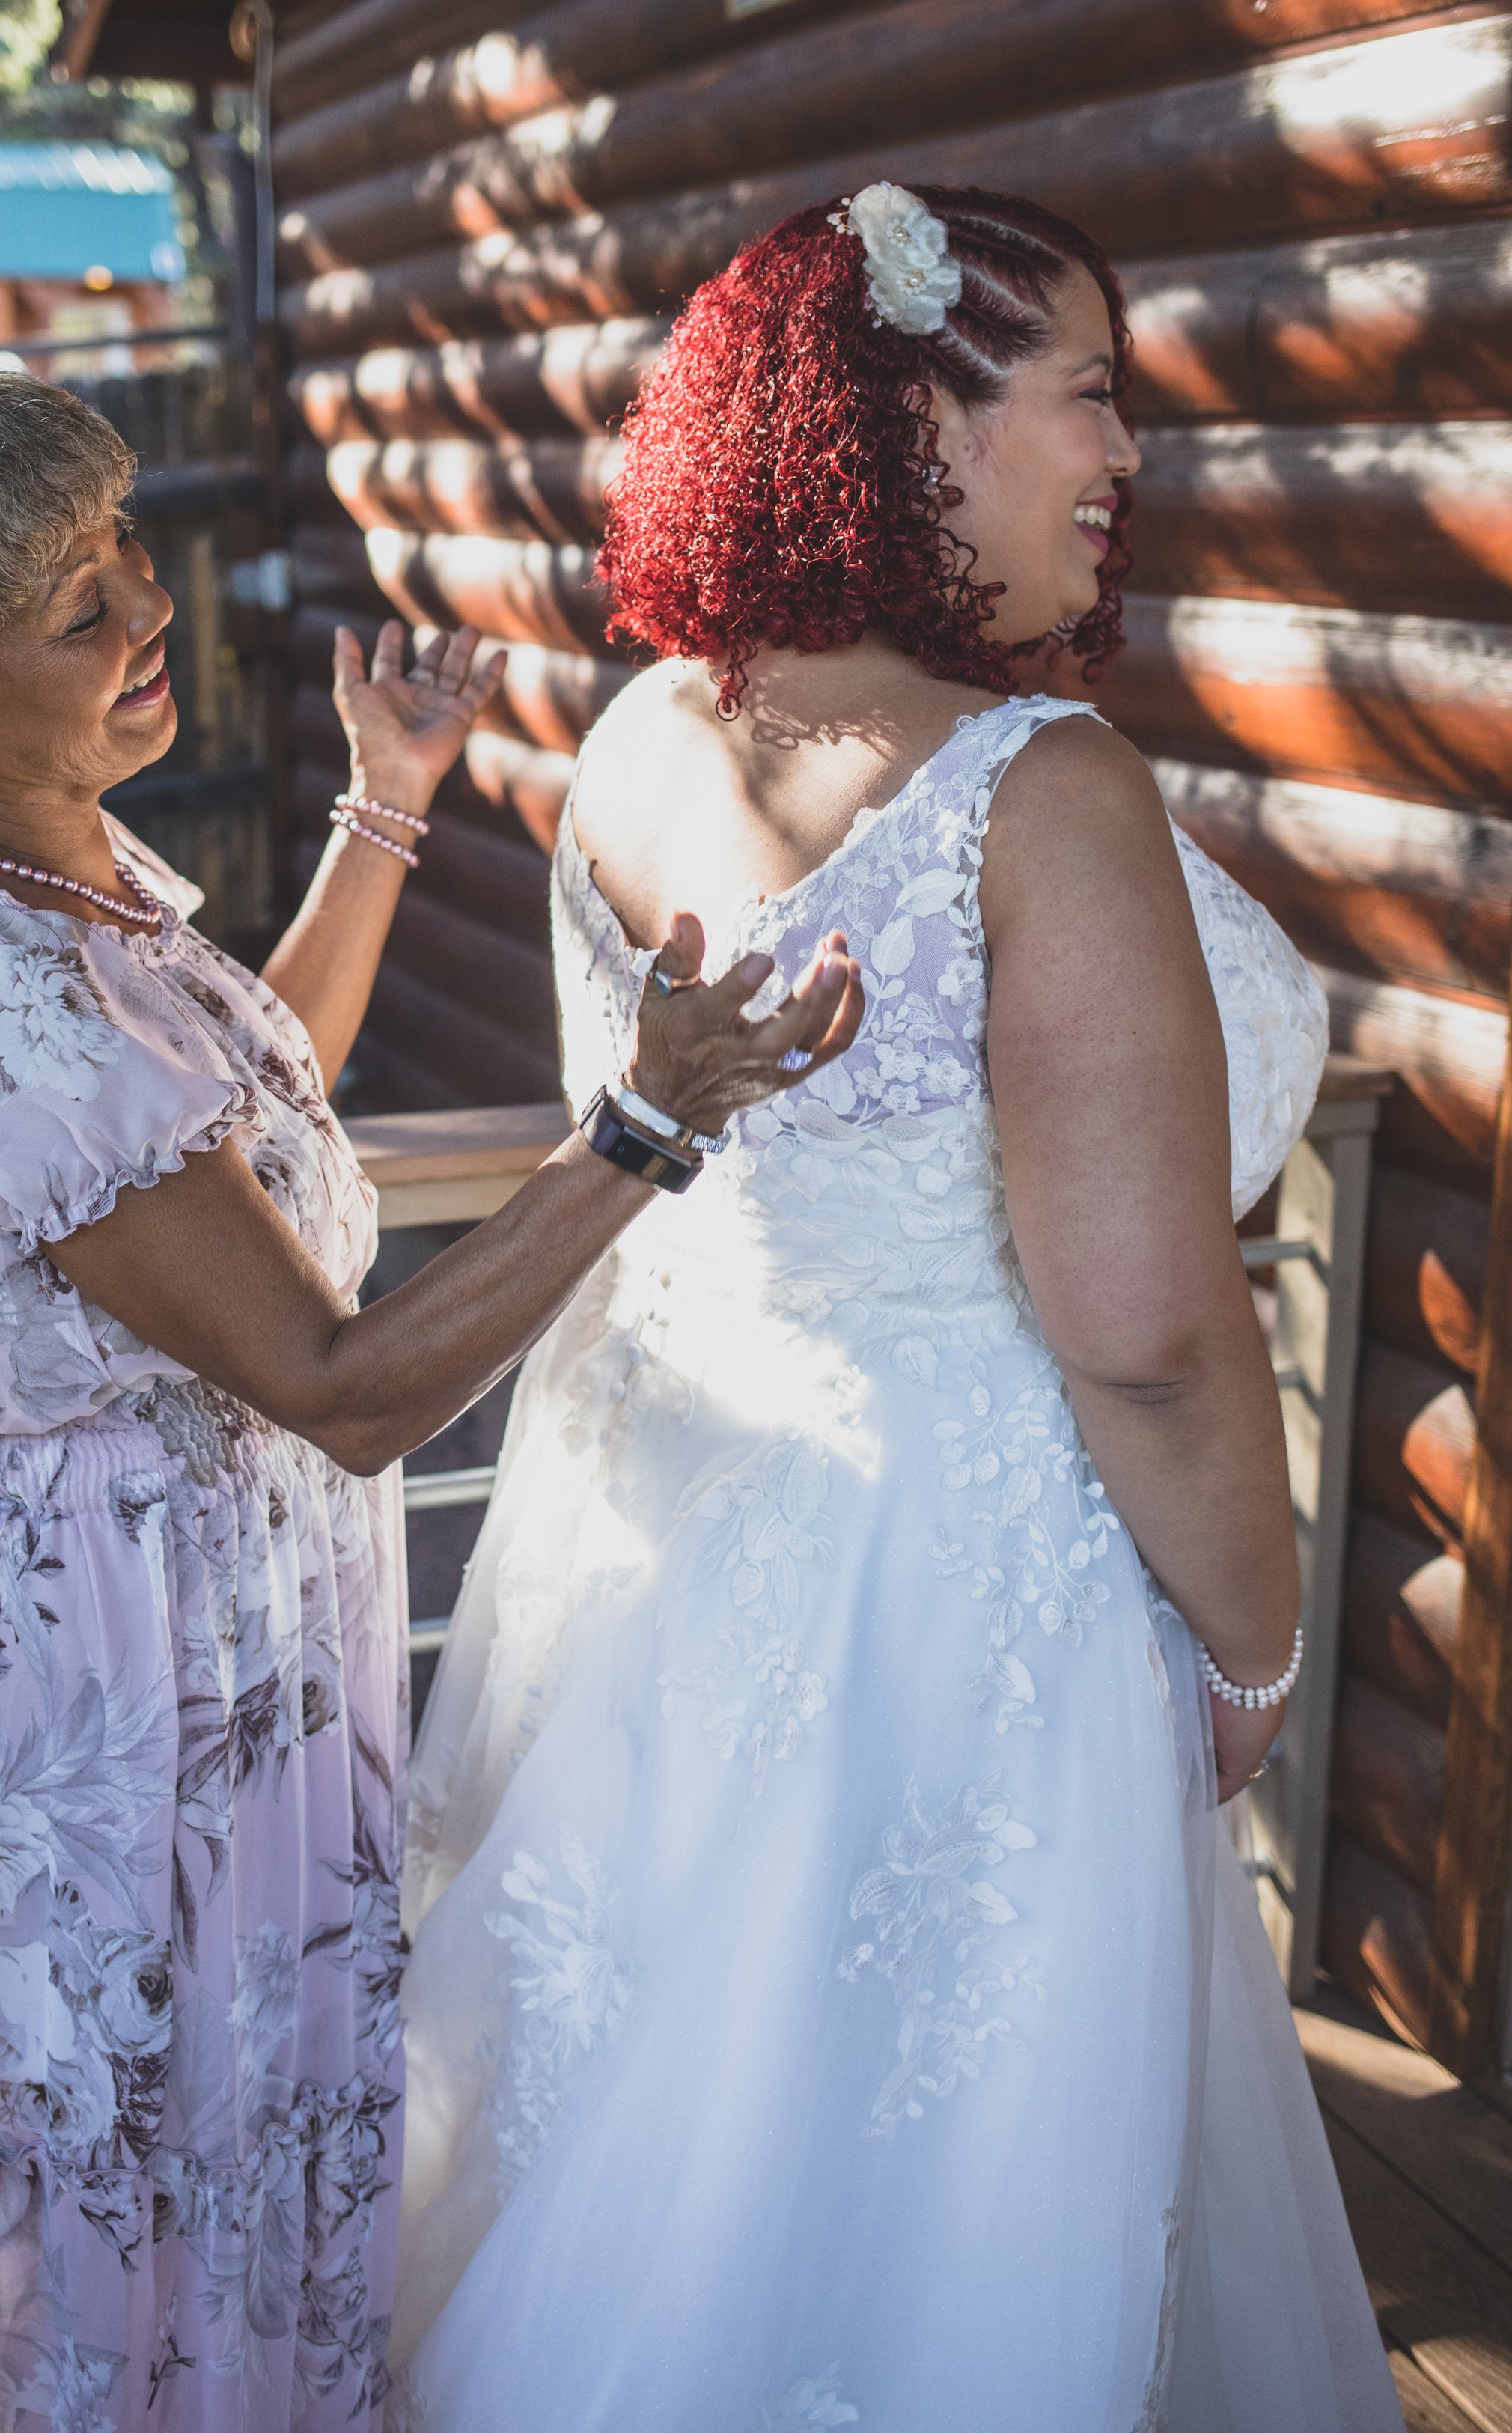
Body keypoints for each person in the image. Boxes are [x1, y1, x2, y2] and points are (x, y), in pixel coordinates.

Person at [0, 358, 861, 2433]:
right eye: (78, 608)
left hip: (199, 1620)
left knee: (207, 2139)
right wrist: (643, 1125)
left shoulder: (52, 873)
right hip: (104, 1671)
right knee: (108, 2165)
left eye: (128, 552)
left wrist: (385, 794)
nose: (152, 610)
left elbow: (249, 1119)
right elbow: (339, 1383)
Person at [390, 184, 1403, 2430]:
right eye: (1087, 393)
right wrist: (1252, 1637)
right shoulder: (1039, 794)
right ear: (902, 428)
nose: (1127, 446)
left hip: (674, 1531)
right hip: (955, 1591)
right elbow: (1139, 1329)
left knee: (657, 2114)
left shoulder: (646, 730)